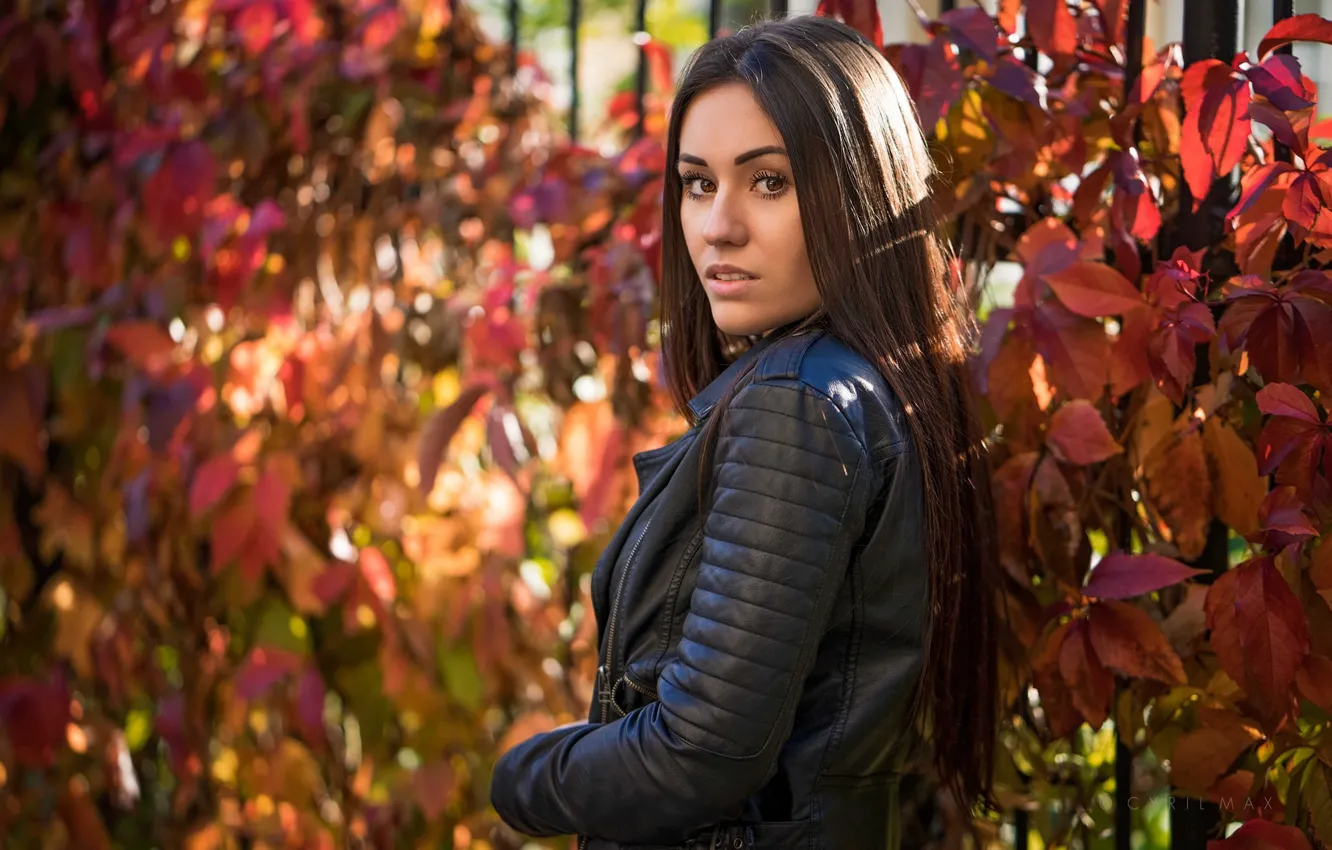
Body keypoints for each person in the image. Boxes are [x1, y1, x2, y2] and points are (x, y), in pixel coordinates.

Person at [490, 13, 1001, 850]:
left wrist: (520, 779)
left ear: (859, 196)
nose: (717, 225)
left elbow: (701, 752)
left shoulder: (799, 405)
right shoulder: (873, 385)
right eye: (698, 183)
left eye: (769, 182)